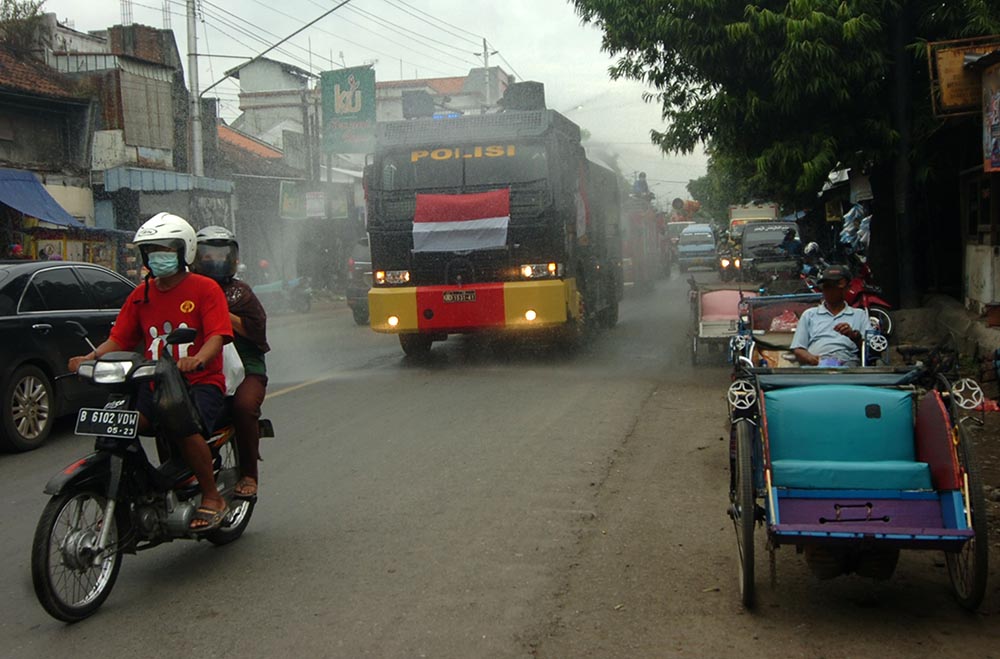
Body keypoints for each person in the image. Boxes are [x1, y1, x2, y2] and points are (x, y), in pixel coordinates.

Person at [68, 213, 234, 532]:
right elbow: (120, 337)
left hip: (199, 382)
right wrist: (88, 358)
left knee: (184, 426)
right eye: (151, 250)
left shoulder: (205, 288)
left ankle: (213, 497)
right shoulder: (141, 294)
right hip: (153, 379)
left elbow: (217, 335)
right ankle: (130, 490)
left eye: (164, 249)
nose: (157, 256)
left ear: (182, 250)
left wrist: (197, 358)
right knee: (123, 423)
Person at [193, 226, 269, 499]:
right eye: (208, 254)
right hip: (201, 367)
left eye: (222, 253)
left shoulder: (240, 293)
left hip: (246, 368)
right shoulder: (190, 290)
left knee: (244, 406)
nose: (216, 260)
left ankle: (249, 473)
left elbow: (258, 331)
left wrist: (221, 313)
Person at [790, 264, 870, 367]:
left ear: (847, 288)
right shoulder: (809, 315)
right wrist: (813, 360)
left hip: (847, 364)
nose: (830, 291)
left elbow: (871, 349)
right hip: (815, 365)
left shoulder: (859, 315)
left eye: (835, 286)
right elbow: (798, 349)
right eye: (827, 286)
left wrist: (853, 336)